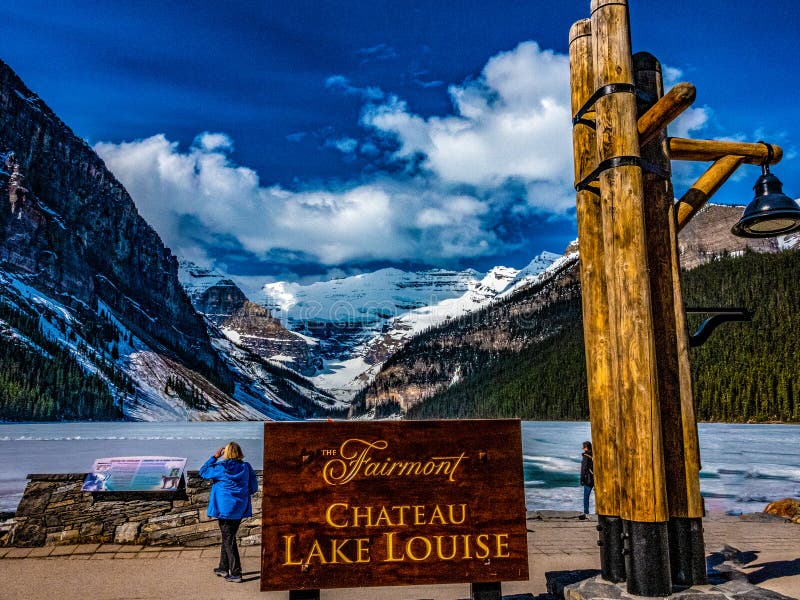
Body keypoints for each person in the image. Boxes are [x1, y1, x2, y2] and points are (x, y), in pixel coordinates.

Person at [199, 441, 258, 583]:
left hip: (224, 509)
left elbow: (203, 472)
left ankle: (236, 573)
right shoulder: (246, 467)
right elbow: (253, 487)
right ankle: (223, 567)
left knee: (229, 539)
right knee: (228, 536)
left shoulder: (221, 467)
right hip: (239, 508)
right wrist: (241, 494)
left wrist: (214, 457)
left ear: (226, 452)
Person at [580, 441, 594, 515]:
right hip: (596, 478)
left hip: (588, 479)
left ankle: (586, 512)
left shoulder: (585, 456)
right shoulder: (594, 454)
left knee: (586, 497)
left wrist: (582, 479)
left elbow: (584, 469)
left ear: (585, 447)